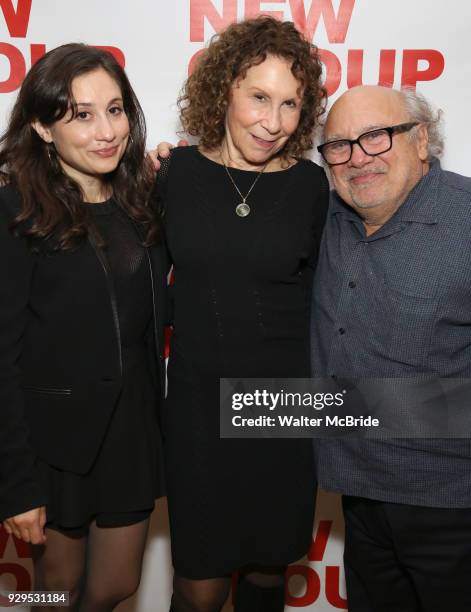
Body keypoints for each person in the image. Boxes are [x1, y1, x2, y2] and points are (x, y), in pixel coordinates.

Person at [156, 16, 329, 612]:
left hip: (282, 406)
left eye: (289, 104)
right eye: (259, 97)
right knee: (198, 587)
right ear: (225, 86)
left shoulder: (311, 186)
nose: (274, 122)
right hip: (199, 407)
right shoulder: (174, 175)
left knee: (264, 578)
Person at [0, 44, 168, 611]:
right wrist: (16, 484)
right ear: (44, 129)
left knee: (115, 586)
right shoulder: (15, 210)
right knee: (54, 594)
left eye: (115, 110)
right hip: (54, 443)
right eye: (81, 114)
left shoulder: (141, 200)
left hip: (131, 435)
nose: (106, 131)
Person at [313, 85, 471, 612]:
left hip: (452, 508)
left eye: (376, 137)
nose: (358, 158)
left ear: (421, 139)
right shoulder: (331, 215)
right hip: (358, 495)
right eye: (339, 145)